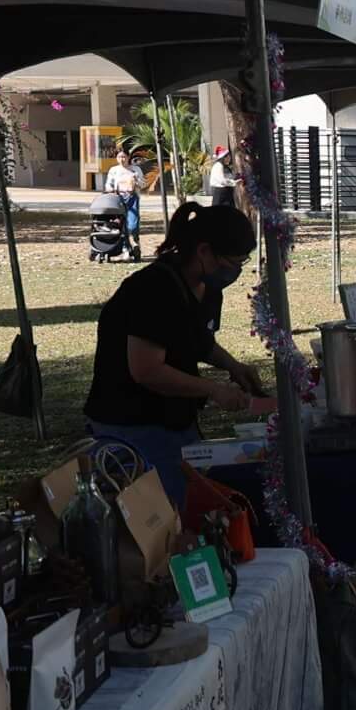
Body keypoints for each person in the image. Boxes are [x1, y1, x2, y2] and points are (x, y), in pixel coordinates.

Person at [81, 200, 267, 507]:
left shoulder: (208, 288)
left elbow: (197, 339)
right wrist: (214, 390)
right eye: (231, 264)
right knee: (164, 520)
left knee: (196, 507)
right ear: (204, 251)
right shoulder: (153, 289)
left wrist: (233, 365)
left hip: (176, 421)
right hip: (130, 425)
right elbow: (147, 370)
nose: (233, 272)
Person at [102, 146, 146, 260]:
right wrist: (110, 190)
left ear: (128, 157)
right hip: (118, 199)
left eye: (124, 157)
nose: (122, 159)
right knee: (121, 225)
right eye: (119, 157)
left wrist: (136, 181)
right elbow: (108, 184)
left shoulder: (135, 170)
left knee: (133, 224)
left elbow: (143, 184)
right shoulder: (114, 170)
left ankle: (136, 243)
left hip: (132, 198)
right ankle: (126, 248)